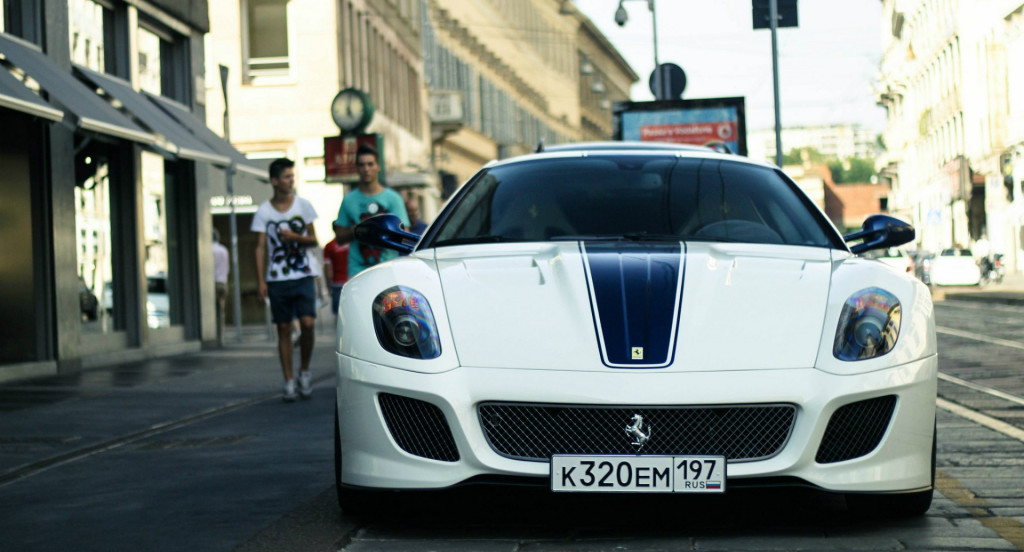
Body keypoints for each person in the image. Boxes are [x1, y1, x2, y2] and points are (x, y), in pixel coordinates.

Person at [251, 158, 321, 402]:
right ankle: (289, 380)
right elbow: (259, 248)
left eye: (293, 176)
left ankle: (304, 371)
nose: (291, 181)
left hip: (302, 274)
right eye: (287, 177)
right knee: (282, 328)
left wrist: (294, 237)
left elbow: (314, 240)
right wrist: (261, 281)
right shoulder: (264, 211)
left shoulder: (303, 206)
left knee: (308, 324)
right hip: (277, 278)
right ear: (274, 181)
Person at [333, 145, 409, 278]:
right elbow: (339, 238)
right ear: (357, 168)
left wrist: (383, 226)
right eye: (362, 165)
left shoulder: (393, 198)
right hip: (358, 270)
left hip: (388, 268)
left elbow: (405, 236)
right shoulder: (349, 199)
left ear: (378, 166)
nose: (366, 169)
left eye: (370, 164)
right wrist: (358, 228)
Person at [323, 238, 349, 320]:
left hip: (336, 282)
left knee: (338, 313)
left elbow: (327, 267)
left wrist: (328, 285)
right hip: (350, 280)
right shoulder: (352, 244)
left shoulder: (329, 246)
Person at [212, 228, 229, 346]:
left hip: (212, 283)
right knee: (221, 312)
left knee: (211, 311)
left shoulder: (209, 250)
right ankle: (220, 337)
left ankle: (213, 336)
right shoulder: (223, 250)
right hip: (222, 282)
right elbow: (227, 267)